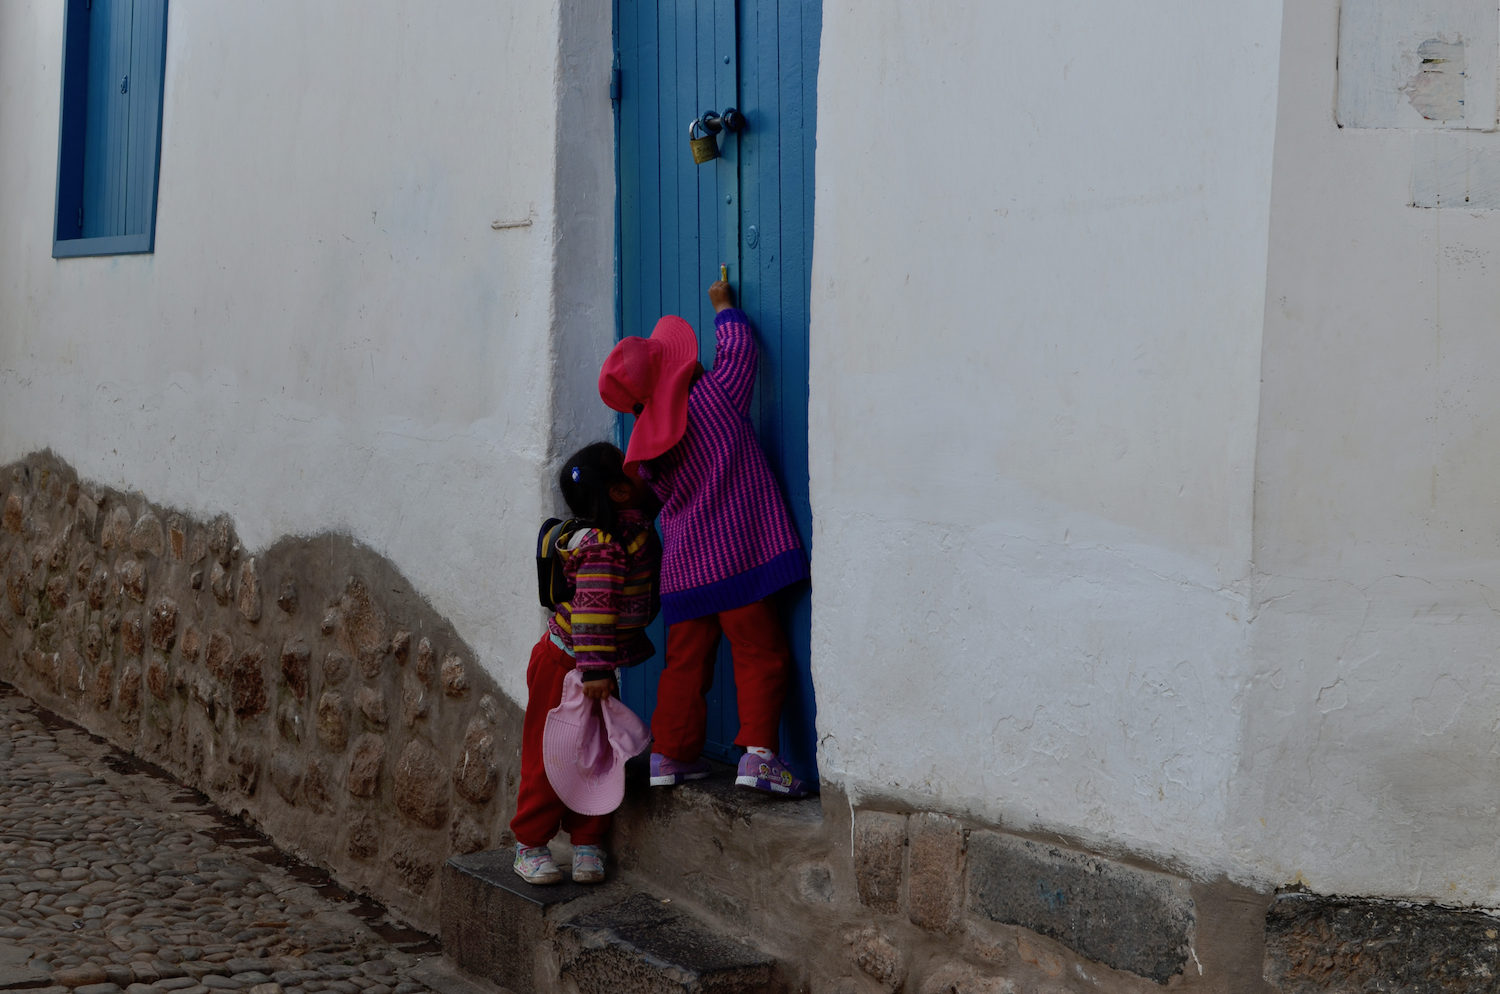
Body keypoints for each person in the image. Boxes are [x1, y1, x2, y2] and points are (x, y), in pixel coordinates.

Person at [598, 280, 812, 797]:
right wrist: (724, 308)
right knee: (760, 653)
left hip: (685, 573)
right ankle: (759, 756)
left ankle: (670, 754)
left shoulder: (649, 454)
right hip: (736, 560)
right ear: (679, 369)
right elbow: (739, 352)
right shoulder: (715, 398)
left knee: (685, 665)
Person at [509, 441, 661, 884]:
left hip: (592, 668)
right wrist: (594, 669)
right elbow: (593, 609)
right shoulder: (602, 546)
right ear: (617, 493)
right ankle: (530, 844)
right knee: (551, 755)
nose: (639, 464)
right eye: (629, 466)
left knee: (597, 756)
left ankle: (587, 840)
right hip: (566, 666)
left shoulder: (632, 529)